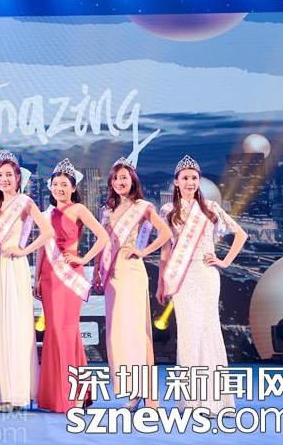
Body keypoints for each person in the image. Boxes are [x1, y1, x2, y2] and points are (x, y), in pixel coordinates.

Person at [157, 155, 248, 415]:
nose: (190, 182)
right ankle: (191, 401)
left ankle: (215, 401)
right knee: (188, 333)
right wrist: (161, 283)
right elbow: (166, 251)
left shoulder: (210, 208)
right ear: (176, 182)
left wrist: (224, 261)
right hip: (181, 278)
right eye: (185, 178)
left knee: (209, 331)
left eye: (194, 178)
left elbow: (240, 234)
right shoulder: (167, 211)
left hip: (206, 275)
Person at [92, 157, 172, 411]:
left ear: (133, 181)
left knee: (138, 332)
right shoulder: (107, 211)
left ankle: (150, 396)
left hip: (133, 272)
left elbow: (166, 233)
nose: (120, 182)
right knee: (119, 335)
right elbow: (103, 244)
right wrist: (96, 270)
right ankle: (134, 393)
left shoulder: (143, 206)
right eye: (116, 178)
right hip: (112, 275)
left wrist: (143, 251)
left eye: (124, 178)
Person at [35, 159, 108, 413]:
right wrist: (36, 278)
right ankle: (58, 395)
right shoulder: (45, 214)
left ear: (73, 187)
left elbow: (103, 237)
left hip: (69, 274)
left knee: (66, 331)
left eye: (64, 184)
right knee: (55, 333)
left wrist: (84, 259)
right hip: (48, 277)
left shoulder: (78, 209)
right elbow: (42, 247)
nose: (59, 188)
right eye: (55, 184)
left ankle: (74, 394)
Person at [0, 151, 54, 413]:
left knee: (17, 326)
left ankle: (20, 393)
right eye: (0, 175)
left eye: (9, 175)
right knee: (1, 329)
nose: (4, 179)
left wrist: (24, 250)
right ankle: (5, 393)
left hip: (15, 267)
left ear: (18, 178)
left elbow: (47, 231)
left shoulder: (25, 202)